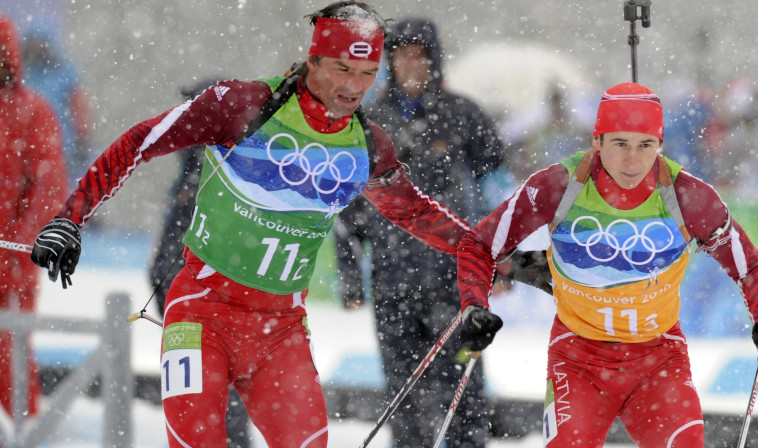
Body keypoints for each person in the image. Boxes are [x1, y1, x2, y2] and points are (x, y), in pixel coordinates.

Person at [27, 2, 540, 446]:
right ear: (314, 59)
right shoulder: (244, 106)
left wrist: (495, 254)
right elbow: (139, 141)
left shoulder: (366, 144)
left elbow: (415, 212)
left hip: (279, 331)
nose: (354, 87)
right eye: (342, 69)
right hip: (201, 314)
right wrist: (70, 219)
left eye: (366, 74)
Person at [456, 82, 758, 447]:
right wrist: (474, 305)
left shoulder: (687, 197)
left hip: (658, 360)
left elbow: (752, 267)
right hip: (578, 358)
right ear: (597, 141)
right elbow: (479, 244)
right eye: (620, 144)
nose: (633, 160)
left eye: (645, 145)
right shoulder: (559, 185)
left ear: (659, 145)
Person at [335, 17, 503, 448]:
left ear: (434, 59)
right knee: (403, 391)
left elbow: (497, 194)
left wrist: (496, 265)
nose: (412, 63)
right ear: (389, 61)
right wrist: (351, 277)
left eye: (420, 54)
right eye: (402, 54)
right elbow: (346, 210)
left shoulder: (462, 115)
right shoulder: (367, 122)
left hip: (455, 279)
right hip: (394, 281)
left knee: (464, 388)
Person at [147, 78, 251, 448]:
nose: (184, 121)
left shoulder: (212, 174)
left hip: (207, 320)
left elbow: (173, 263)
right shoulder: (196, 172)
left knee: (211, 415)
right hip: (199, 317)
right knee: (203, 413)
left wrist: (180, 310)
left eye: (193, 111)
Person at [0, 13, 67, 421]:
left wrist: (15, 252)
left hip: (11, 266)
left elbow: (46, 192)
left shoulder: (32, 112)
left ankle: (19, 432)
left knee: (10, 353)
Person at [20, 16, 93, 186]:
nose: (36, 48)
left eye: (40, 42)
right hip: (32, 147)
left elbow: (79, 106)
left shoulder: (65, 72)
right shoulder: (26, 73)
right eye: (33, 42)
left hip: (63, 144)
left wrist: (82, 139)